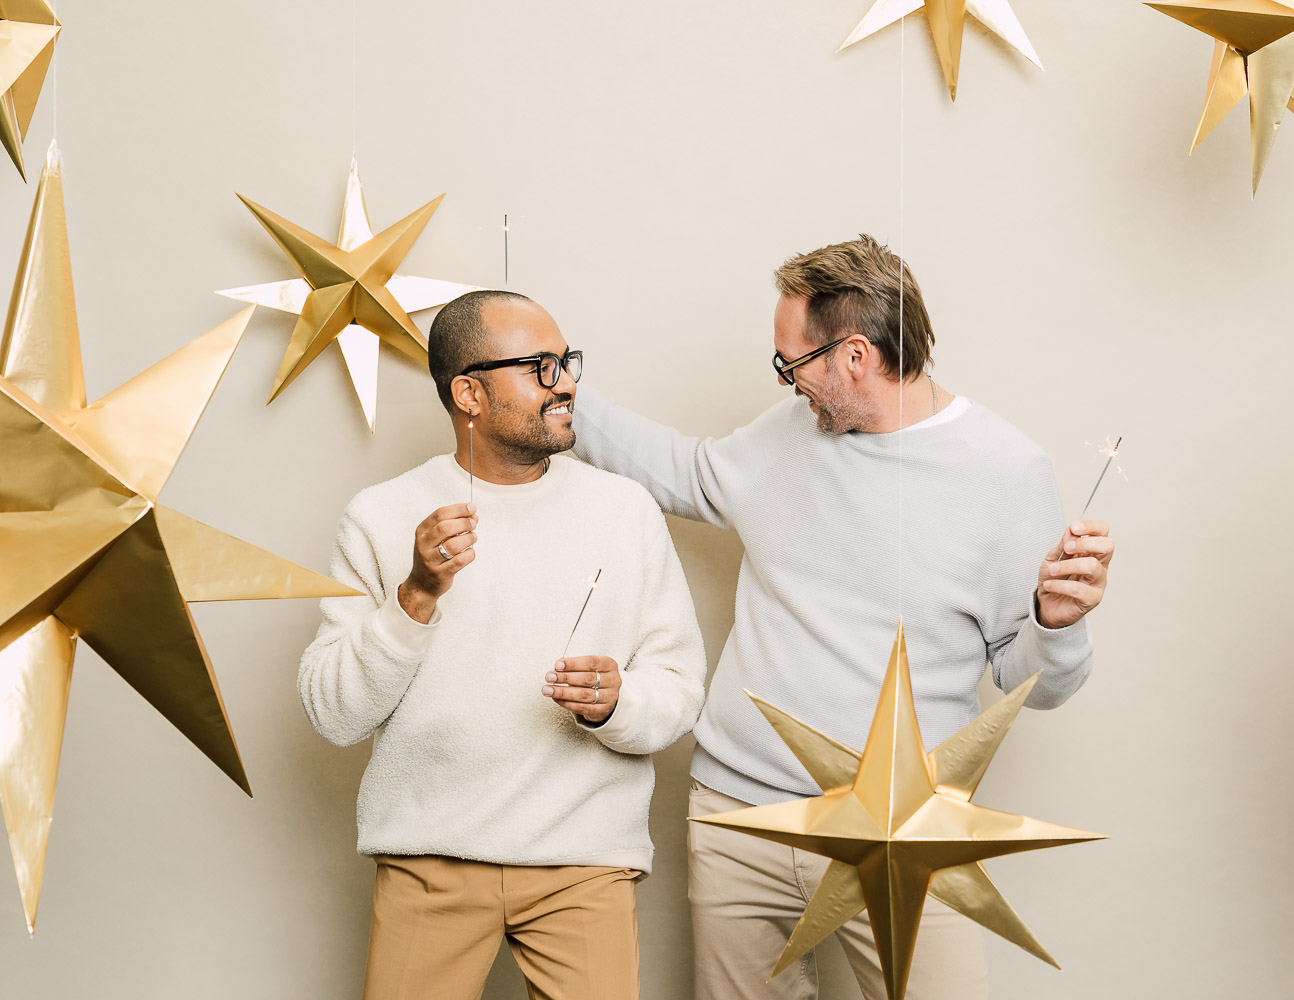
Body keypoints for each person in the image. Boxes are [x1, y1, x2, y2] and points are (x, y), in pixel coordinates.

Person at [570, 235, 1114, 999]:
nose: (789, 386)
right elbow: (684, 470)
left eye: (791, 365)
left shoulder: (1007, 474)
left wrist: (1055, 625)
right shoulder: (788, 435)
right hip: (737, 817)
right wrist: (565, 394)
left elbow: (1035, 683)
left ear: (854, 356)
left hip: (902, 832)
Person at [298, 290, 707, 1000]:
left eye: (567, 362)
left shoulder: (625, 511)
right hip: (430, 860)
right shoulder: (381, 516)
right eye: (541, 368)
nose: (568, 383)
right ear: (469, 394)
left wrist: (620, 702)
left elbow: (678, 686)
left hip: (584, 861)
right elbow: (333, 714)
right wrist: (416, 594)